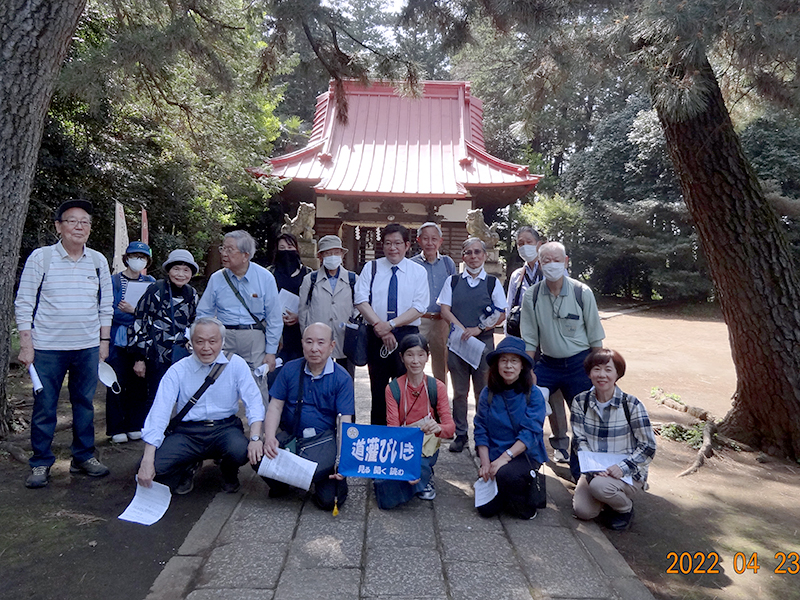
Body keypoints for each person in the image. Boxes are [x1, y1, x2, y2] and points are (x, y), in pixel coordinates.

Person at [15, 199, 113, 488]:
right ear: (59, 226)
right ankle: (40, 462)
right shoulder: (41, 258)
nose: (79, 226)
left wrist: (103, 341)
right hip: (46, 347)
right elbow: (24, 302)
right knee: (45, 405)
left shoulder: (97, 261)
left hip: (87, 346)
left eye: (85, 221)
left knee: (84, 403)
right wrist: (26, 344)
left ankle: (84, 456)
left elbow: (105, 304)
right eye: (72, 220)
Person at [137, 317, 265, 494]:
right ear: (190, 343)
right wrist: (147, 459)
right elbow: (159, 413)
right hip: (188, 433)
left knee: (240, 450)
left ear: (222, 342)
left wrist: (256, 438)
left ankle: (229, 473)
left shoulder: (236, 365)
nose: (206, 348)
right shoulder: (177, 370)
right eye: (200, 342)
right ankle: (187, 467)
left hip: (224, 429)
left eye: (213, 341)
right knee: (153, 467)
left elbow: (254, 402)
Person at [519, 241, 605, 465]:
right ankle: (531, 461)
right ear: (539, 263)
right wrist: (528, 373)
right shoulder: (532, 295)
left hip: (580, 363)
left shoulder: (581, 292)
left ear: (566, 262)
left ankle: (582, 469)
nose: (551, 265)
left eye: (556, 260)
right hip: (548, 364)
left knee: (585, 418)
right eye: (546, 261)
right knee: (528, 405)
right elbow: (530, 341)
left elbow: (596, 339)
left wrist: (601, 373)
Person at [261, 323, 355, 510]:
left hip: (323, 443)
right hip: (293, 437)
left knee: (329, 500)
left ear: (331, 346)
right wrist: (269, 437)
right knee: (258, 455)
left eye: (321, 343)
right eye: (309, 342)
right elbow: (275, 407)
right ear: (302, 343)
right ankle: (284, 483)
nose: (314, 348)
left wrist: (342, 460)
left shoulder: (342, 378)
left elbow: (345, 421)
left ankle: (312, 478)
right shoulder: (290, 369)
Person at [571, 348, 656, 530]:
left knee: (600, 487)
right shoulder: (581, 402)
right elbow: (579, 440)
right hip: (595, 471)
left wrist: (622, 468)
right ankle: (607, 500)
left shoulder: (631, 404)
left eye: (608, 370)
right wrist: (593, 467)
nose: (602, 375)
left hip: (627, 473)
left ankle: (625, 508)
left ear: (618, 374)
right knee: (583, 511)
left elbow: (648, 446)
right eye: (597, 369)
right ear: (589, 373)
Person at [354, 224, 429, 425]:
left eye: (397, 243)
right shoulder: (372, 268)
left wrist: (391, 325)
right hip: (376, 332)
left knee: (407, 387)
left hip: (407, 335)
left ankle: (404, 433)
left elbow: (420, 306)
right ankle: (378, 435)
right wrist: (380, 325)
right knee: (378, 388)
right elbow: (361, 299)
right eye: (388, 243)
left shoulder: (418, 272)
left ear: (407, 245)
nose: (392, 248)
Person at [438, 237, 507, 453]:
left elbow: (501, 313)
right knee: (459, 392)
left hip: (484, 344)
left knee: (484, 392)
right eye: (469, 252)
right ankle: (460, 434)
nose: (473, 256)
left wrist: (478, 329)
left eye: (478, 252)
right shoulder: (453, 281)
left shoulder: (492, 283)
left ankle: (482, 437)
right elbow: (444, 310)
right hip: (458, 343)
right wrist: (461, 328)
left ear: (485, 256)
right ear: (463, 256)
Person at [196, 230, 283, 398]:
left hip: (254, 338)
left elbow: (274, 318)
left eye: (230, 249)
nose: (223, 254)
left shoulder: (265, 278)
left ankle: (258, 424)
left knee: (257, 385)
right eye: (223, 248)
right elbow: (204, 312)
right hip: (223, 337)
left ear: (245, 255)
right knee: (218, 382)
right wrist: (205, 339)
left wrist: (271, 352)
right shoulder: (217, 278)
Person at [374, 334, 455, 509]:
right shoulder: (393, 388)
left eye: (420, 354)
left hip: (427, 446)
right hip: (402, 445)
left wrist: (438, 427)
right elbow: (393, 430)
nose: (415, 360)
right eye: (410, 355)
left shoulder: (437, 387)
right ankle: (418, 476)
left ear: (427, 357)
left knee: (416, 466)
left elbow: (450, 430)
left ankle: (423, 475)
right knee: (381, 481)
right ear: (401, 358)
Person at [473, 336, 548, 520]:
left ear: (522, 365)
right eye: (504, 360)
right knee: (485, 510)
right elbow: (480, 427)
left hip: (522, 454)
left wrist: (503, 459)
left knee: (507, 475)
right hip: (494, 454)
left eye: (514, 361)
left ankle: (525, 502)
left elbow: (529, 433)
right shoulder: (487, 393)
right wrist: (484, 463)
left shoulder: (534, 395)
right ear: (497, 365)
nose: (508, 366)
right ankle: (504, 495)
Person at [130, 249, 199, 410]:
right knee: (156, 396)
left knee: (183, 396)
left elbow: (195, 322)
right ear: (168, 270)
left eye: (186, 270)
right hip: (156, 354)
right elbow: (140, 321)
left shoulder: (192, 294)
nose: (180, 274)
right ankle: (153, 433)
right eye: (176, 269)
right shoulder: (156, 289)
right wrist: (139, 358)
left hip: (182, 354)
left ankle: (177, 432)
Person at [106, 241, 156, 443]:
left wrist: (134, 311)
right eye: (135, 256)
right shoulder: (113, 281)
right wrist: (134, 314)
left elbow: (154, 312)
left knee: (139, 382)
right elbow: (110, 312)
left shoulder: (151, 281)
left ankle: (135, 424)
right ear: (126, 258)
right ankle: (116, 428)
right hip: (118, 340)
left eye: (143, 257)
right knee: (116, 382)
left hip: (143, 341)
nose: (138, 260)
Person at [298, 235, 358, 377]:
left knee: (346, 377)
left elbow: (359, 306)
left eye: (336, 252)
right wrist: (307, 336)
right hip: (318, 340)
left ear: (342, 255)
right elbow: (303, 310)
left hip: (345, 337)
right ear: (320, 256)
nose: (333, 256)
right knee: (318, 376)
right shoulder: (310, 280)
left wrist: (352, 323)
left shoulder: (353, 279)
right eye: (328, 253)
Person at [410, 222, 456, 384]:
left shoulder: (447, 263)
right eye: (426, 239)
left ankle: (440, 403)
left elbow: (453, 290)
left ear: (440, 241)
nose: (430, 243)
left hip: (441, 321)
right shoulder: (412, 264)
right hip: (418, 319)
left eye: (434, 239)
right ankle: (415, 399)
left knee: (441, 364)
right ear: (419, 240)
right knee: (413, 360)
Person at [270, 232, 312, 364]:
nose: (286, 252)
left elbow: (315, 303)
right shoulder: (269, 273)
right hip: (276, 333)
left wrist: (300, 317)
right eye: (282, 248)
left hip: (300, 332)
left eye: (290, 248)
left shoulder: (308, 274)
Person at [505, 226, 545, 336]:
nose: (525, 246)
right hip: (522, 332)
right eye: (521, 243)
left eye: (529, 242)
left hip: (546, 332)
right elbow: (509, 307)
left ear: (539, 244)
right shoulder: (517, 275)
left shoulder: (550, 270)